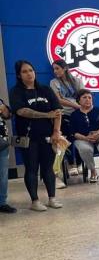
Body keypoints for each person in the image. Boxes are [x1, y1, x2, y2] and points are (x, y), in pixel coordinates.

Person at [10, 60, 63, 211]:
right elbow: (22, 111)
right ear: (19, 75)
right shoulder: (16, 92)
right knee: (32, 168)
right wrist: (47, 114)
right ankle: (35, 201)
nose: (29, 74)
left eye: (31, 70)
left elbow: (57, 112)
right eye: (25, 71)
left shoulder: (45, 89)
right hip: (28, 137)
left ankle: (52, 198)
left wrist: (56, 132)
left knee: (48, 168)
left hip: (48, 136)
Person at [50, 59, 84, 188]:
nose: (55, 71)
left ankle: (80, 163)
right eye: (54, 69)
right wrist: (75, 105)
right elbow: (58, 100)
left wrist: (79, 107)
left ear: (65, 68)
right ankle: (71, 164)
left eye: (57, 68)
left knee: (79, 136)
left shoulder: (77, 81)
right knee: (67, 138)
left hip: (78, 113)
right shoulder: (53, 82)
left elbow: (83, 95)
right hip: (63, 114)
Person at [70, 89, 99, 183]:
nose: (88, 99)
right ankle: (93, 172)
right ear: (79, 100)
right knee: (85, 149)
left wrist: (98, 134)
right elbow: (74, 132)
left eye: (89, 97)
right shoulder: (74, 115)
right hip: (83, 139)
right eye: (84, 97)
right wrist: (86, 138)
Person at [0, 98, 16, 213]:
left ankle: (2, 202)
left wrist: (4, 109)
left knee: (3, 175)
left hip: (2, 143)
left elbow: (8, 116)